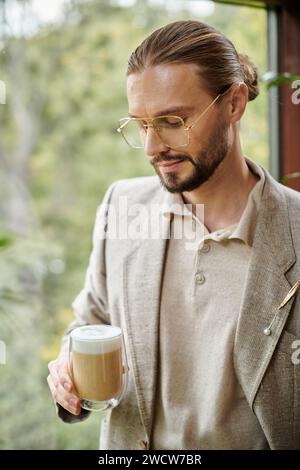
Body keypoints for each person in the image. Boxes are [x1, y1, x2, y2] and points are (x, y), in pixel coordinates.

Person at [47, 20, 300, 450]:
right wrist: (68, 372)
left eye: (172, 120)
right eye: (140, 124)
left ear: (235, 103)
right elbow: (92, 321)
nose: (151, 147)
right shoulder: (121, 207)